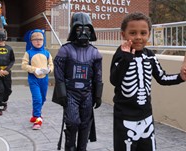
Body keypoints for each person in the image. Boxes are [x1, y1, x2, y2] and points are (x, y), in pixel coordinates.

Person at [110, 12, 186, 151]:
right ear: (123, 34)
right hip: (125, 118)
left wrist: (180, 77)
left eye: (143, 33)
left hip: (146, 116)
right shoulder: (120, 54)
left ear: (149, 34)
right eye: (133, 33)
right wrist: (127, 58)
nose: (138, 37)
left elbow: (162, 78)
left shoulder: (150, 56)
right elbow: (114, 80)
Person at [52, 12, 103, 151]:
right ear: (74, 29)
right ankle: (69, 147)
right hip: (70, 93)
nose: (83, 32)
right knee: (72, 123)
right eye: (79, 28)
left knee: (85, 124)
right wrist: (62, 93)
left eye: (87, 28)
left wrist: (98, 95)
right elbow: (59, 73)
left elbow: (98, 75)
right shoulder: (65, 50)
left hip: (87, 93)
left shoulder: (95, 52)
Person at [21, 29, 53, 130]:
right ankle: (38, 119)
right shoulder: (28, 53)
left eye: (40, 39)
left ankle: (35, 114)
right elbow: (24, 65)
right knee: (37, 99)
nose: (38, 41)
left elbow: (51, 64)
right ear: (31, 41)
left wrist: (49, 70)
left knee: (42, 99)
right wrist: (35, 70)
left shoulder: (47, 53)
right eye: (35, 40)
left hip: (44, 79)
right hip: (33, 79)